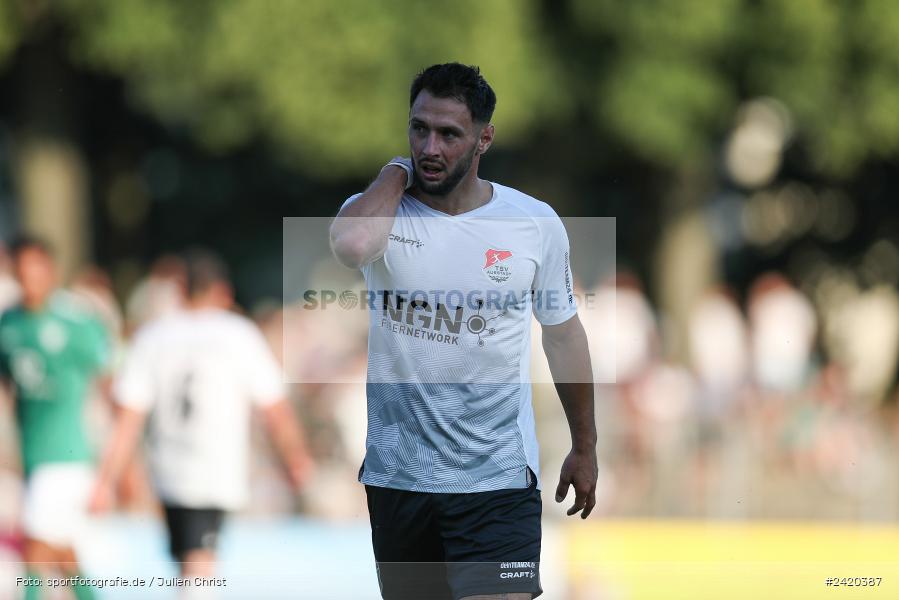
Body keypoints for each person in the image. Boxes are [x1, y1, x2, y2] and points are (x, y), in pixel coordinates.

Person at [330, 63, 597, 600]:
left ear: (484, 138)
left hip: (497, 482)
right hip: (399, 479)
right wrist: (394, 172)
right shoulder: (381, 213)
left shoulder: (533, 222)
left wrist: (584, 445)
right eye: (418, 128)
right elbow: (352, 247)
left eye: (449, 134)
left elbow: (563, 336)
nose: (430, 146)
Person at [89, 249, 314, 593]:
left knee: (189, 560)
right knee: (200, 564)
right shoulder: (238, 333)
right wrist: (295, 458)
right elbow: (274, 408)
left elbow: (128, 417)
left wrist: (108, 478)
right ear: (222, 291)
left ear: (180, 289)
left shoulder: (154, 336)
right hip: (216, 469)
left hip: (169, 469)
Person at [0, 236, 109, 600]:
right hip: (32, 455)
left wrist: (117, 463)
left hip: (68, 455)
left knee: (34, 553)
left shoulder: (75, 321)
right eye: (21, 268)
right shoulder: (9, 323)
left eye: (35, 268)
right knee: (64, 557)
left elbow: (109, 379)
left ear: (50, 271)